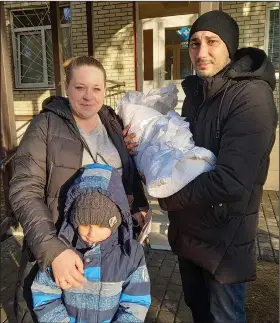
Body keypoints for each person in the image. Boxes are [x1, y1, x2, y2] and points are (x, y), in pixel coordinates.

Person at [124, 10, 278, 323]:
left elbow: (233, 180)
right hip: (190, 231)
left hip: (224, 238)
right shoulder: (197, 92)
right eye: (194, 43)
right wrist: (140, 143)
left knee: (223, 317)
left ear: (229, 48)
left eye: (212, 42)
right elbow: (182, 152)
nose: (201, 52)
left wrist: (169, 199)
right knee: (198, 310)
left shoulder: (252, 97)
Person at [9, 56, 149, 323]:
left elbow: (124, 176)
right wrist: (53, 250)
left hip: (111, 253)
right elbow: (24, 190)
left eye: (96, 88)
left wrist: (137, 207)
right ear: (66, 87)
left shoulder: (112, 123)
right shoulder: (45, 126)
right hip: (63, 249)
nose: (88, 96)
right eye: (80, 87)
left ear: (105, 90)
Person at [31, 163, 151, 323]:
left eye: (101, 226)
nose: (91, 232)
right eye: (85, 224)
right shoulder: (62, 250)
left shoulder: (130, 254)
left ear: (115, 221)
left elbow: (136, 301)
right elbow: (44, 293)